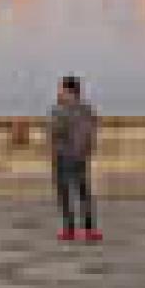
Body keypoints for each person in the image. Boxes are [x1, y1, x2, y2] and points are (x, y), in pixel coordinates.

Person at [49, 74, 102, 243]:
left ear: (69, 91)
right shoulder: (87, 110)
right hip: (80, 157)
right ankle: (89, 229)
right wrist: (86, 151)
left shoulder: (59, 110)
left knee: (65, 194)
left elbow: (55, 132)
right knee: (83, 193)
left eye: (62, 89)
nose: (59, 92)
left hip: (64, 155)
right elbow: (91, 131)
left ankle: (69, 229)